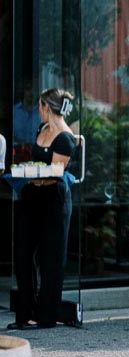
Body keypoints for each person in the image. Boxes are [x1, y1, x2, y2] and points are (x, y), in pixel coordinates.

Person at [9, 88, 78, 330]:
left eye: (39, 106)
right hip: (30, 197)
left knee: (51, 259)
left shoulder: (66, 138)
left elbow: (55, 173)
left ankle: (45, 316)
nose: (38, 111)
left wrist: (33, 174)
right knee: (23, 255)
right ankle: (25, 312)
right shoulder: (42, 130)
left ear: (45, 107)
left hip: (53, 202)